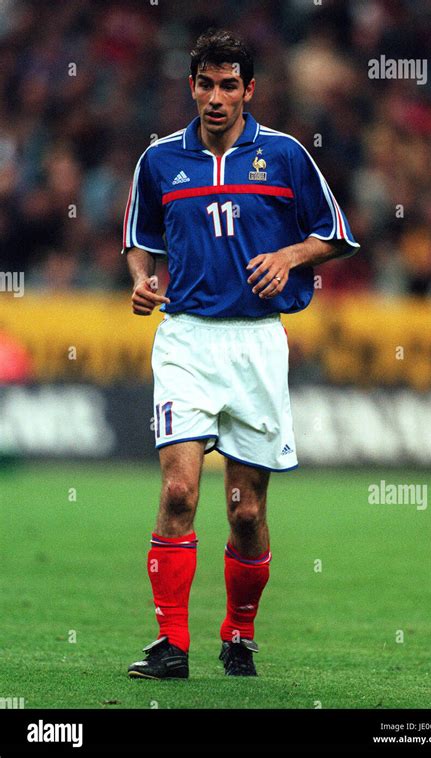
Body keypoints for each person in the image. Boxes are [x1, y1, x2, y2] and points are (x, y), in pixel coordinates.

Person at [124, 28, 359, 679]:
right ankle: (171, 644)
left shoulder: (283, 157)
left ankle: (239, 633)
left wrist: (288, 255)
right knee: (177, 492)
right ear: (192, 86)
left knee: (246, 511)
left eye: (231, 85)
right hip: (187, 339)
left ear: (249, 90)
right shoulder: (161, 161)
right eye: (207, 83)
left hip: (256, 343)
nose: (218, 96)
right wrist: (142, 279)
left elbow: (335, 235)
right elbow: (139, 238)